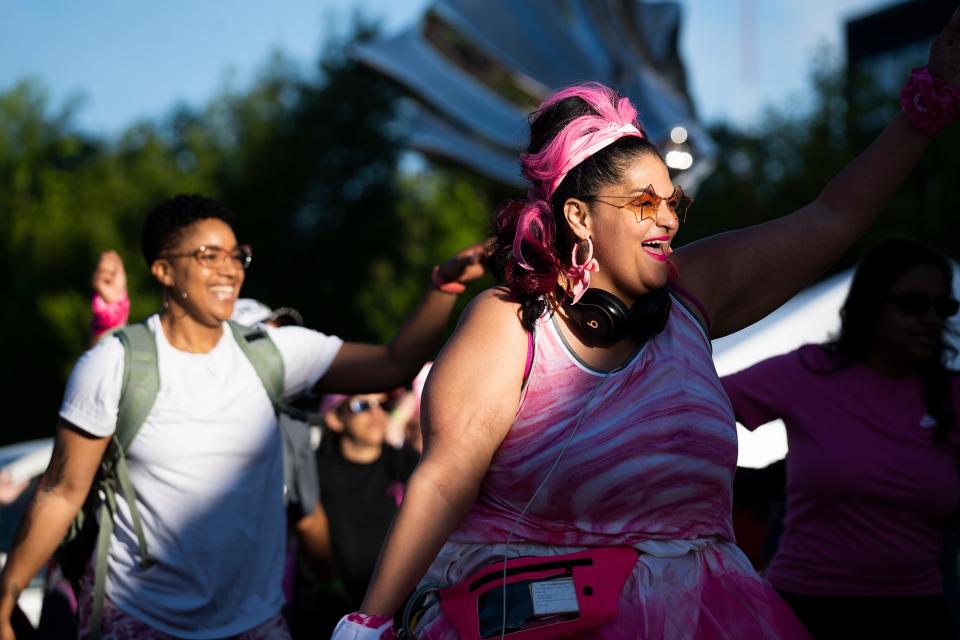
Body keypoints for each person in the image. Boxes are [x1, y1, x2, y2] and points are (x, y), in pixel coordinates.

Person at [330, 13, 960, 640]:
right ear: (578, 216)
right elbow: (443, 481)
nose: (667, 219)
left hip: (709, 613)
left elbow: (833, 217)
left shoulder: (694, 293)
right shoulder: (511, 321)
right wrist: (369, 620)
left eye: (671, 201)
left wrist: (928, 104)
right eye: (642, 203)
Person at [0, 193, 485, 640]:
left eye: (237, 255)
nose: (230, 269)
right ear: (164, 271)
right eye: (209, 255)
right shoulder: (115, 363)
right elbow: (62, 491)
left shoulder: (273, 354)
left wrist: (443, 286)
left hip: (254, 624)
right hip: (138, 619)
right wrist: (7, 597)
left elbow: (394, 362)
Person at [721, 239, 959, 639]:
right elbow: (689, 398)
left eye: (944, 307)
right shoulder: (810, 372)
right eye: (914, 304)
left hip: (917, 614)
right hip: (805, 609)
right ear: (871, 307)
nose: (931, 318)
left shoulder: (952, 397)